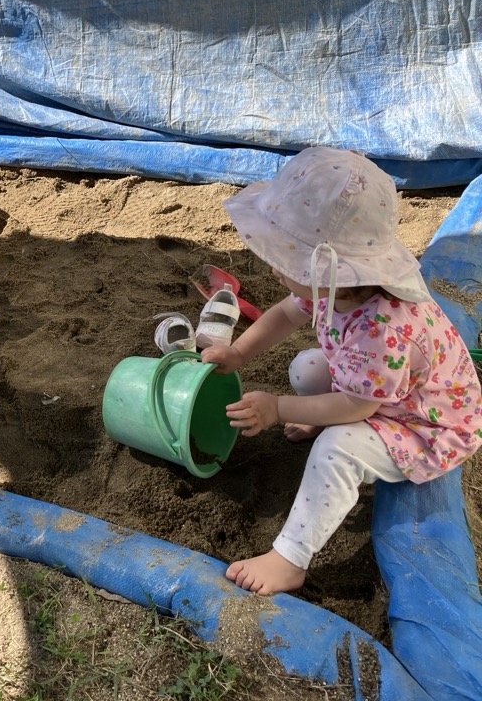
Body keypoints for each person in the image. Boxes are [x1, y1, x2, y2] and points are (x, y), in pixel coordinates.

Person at [202, 146, 481, 595]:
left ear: (332, 268)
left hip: (423, 424)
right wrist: (237, 353)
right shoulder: (335, 283)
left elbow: (357, 404)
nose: (275, 267)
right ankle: (317, 424)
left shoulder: (382, 328)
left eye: (286, 258)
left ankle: (290, 558)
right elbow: (286, 314)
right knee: (308, 367)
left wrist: (275, 408)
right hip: (383, 394)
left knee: (338, 446)